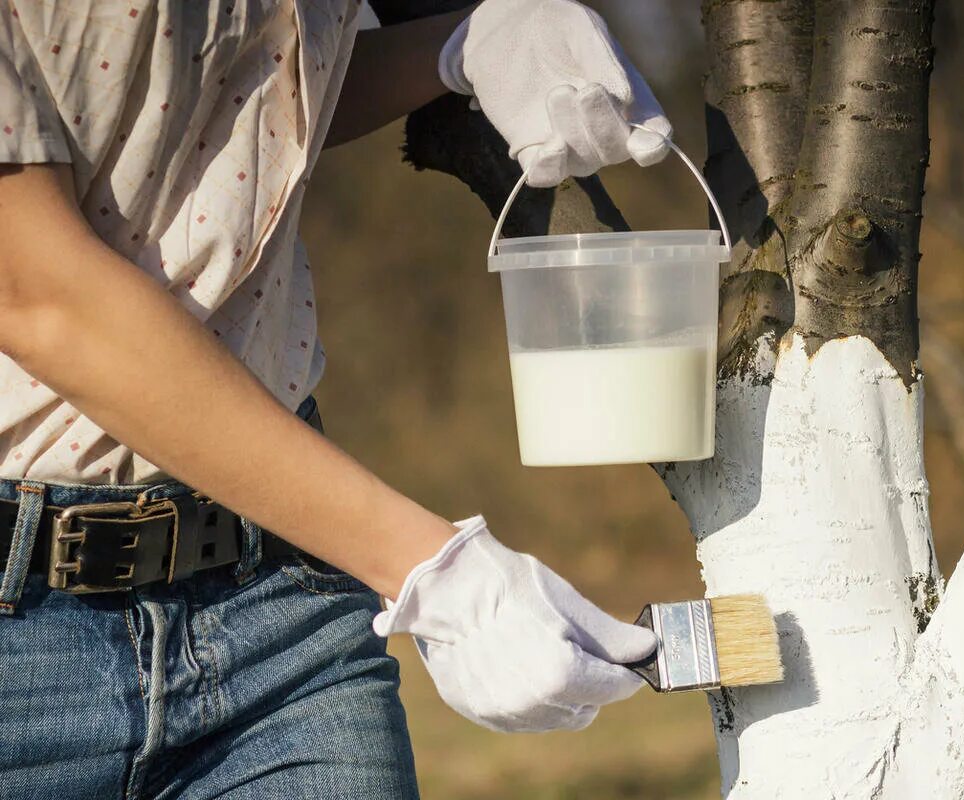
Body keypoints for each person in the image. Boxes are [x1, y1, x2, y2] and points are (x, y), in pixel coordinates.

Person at [0, 1, 675, 796]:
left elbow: (235, 85)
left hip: (280, 613)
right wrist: (432, 570)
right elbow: (35, 293)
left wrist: (457, 46)